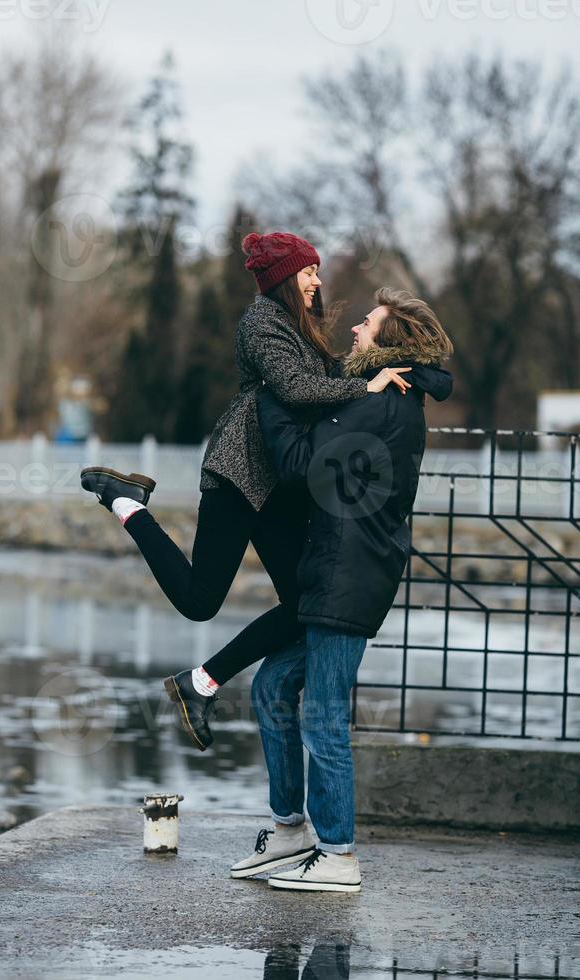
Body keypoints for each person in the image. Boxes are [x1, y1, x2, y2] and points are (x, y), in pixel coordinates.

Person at [80, 233, 412, 750]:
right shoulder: (262, 322)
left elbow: (323, 380)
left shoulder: (298, 325)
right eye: (308, 272)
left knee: (305, 602)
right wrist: (365, 387)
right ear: (284, 277)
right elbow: (298, 390)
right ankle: (125, 503)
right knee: (199, 602)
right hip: (238, 473)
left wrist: (404, 367)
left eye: (317, 270)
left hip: (277, 482)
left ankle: (201, 683)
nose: (317, 281)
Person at [228, 288, 453, 893]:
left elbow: (302, 462)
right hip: (340, 570)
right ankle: (290, 828)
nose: (356, 327)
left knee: (323, 713)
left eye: (369, 323)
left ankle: (338, 854)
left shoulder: (380, 404)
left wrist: (273, 392)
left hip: (348, 576)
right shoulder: (381, 395)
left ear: (392, 342)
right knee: (274, 684)